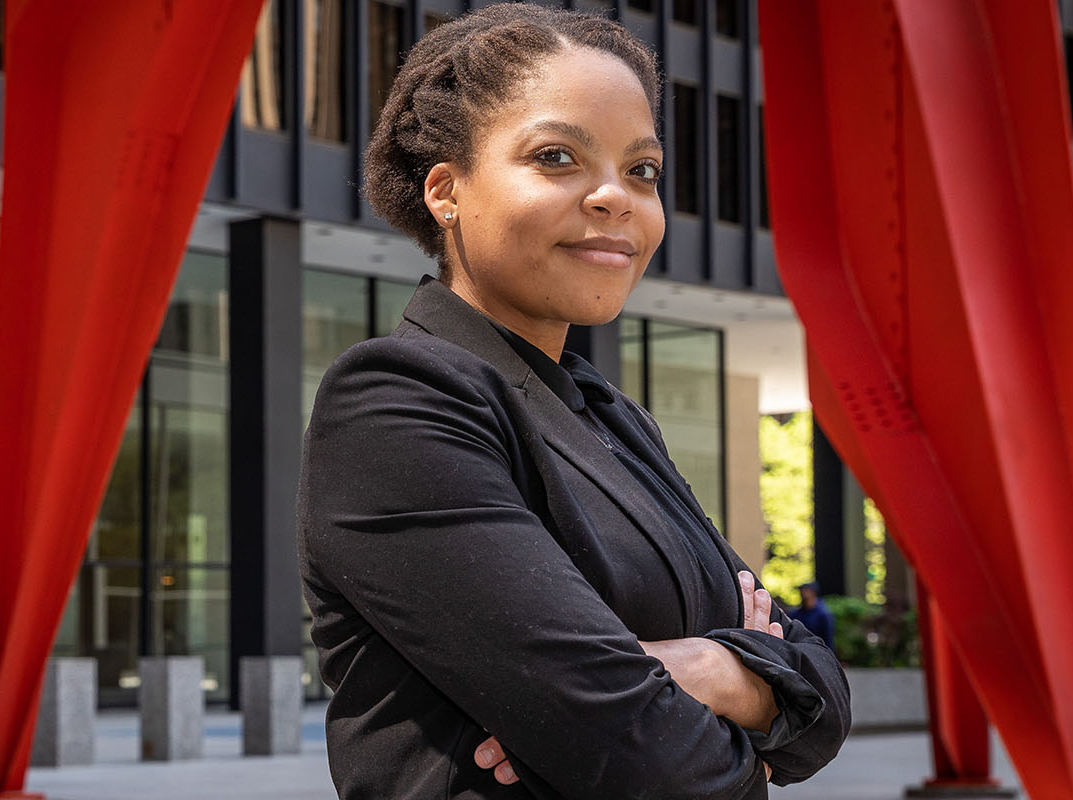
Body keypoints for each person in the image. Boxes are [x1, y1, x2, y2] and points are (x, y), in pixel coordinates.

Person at [295, 5, 851, 799]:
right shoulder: (396, 402)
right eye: (556, 157)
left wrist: (700, 668)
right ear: (447, 192)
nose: (613, 198)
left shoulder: (614, 418)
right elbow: (643, 754)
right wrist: (750, 714)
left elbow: (825, 697)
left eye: (642, 170)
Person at [790, 581, 837, 650]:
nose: (801, 593)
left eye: (805, 590)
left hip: (819, 650)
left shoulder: (823, 614)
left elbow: (828, 638)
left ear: (812, 592)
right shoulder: (796, 613)